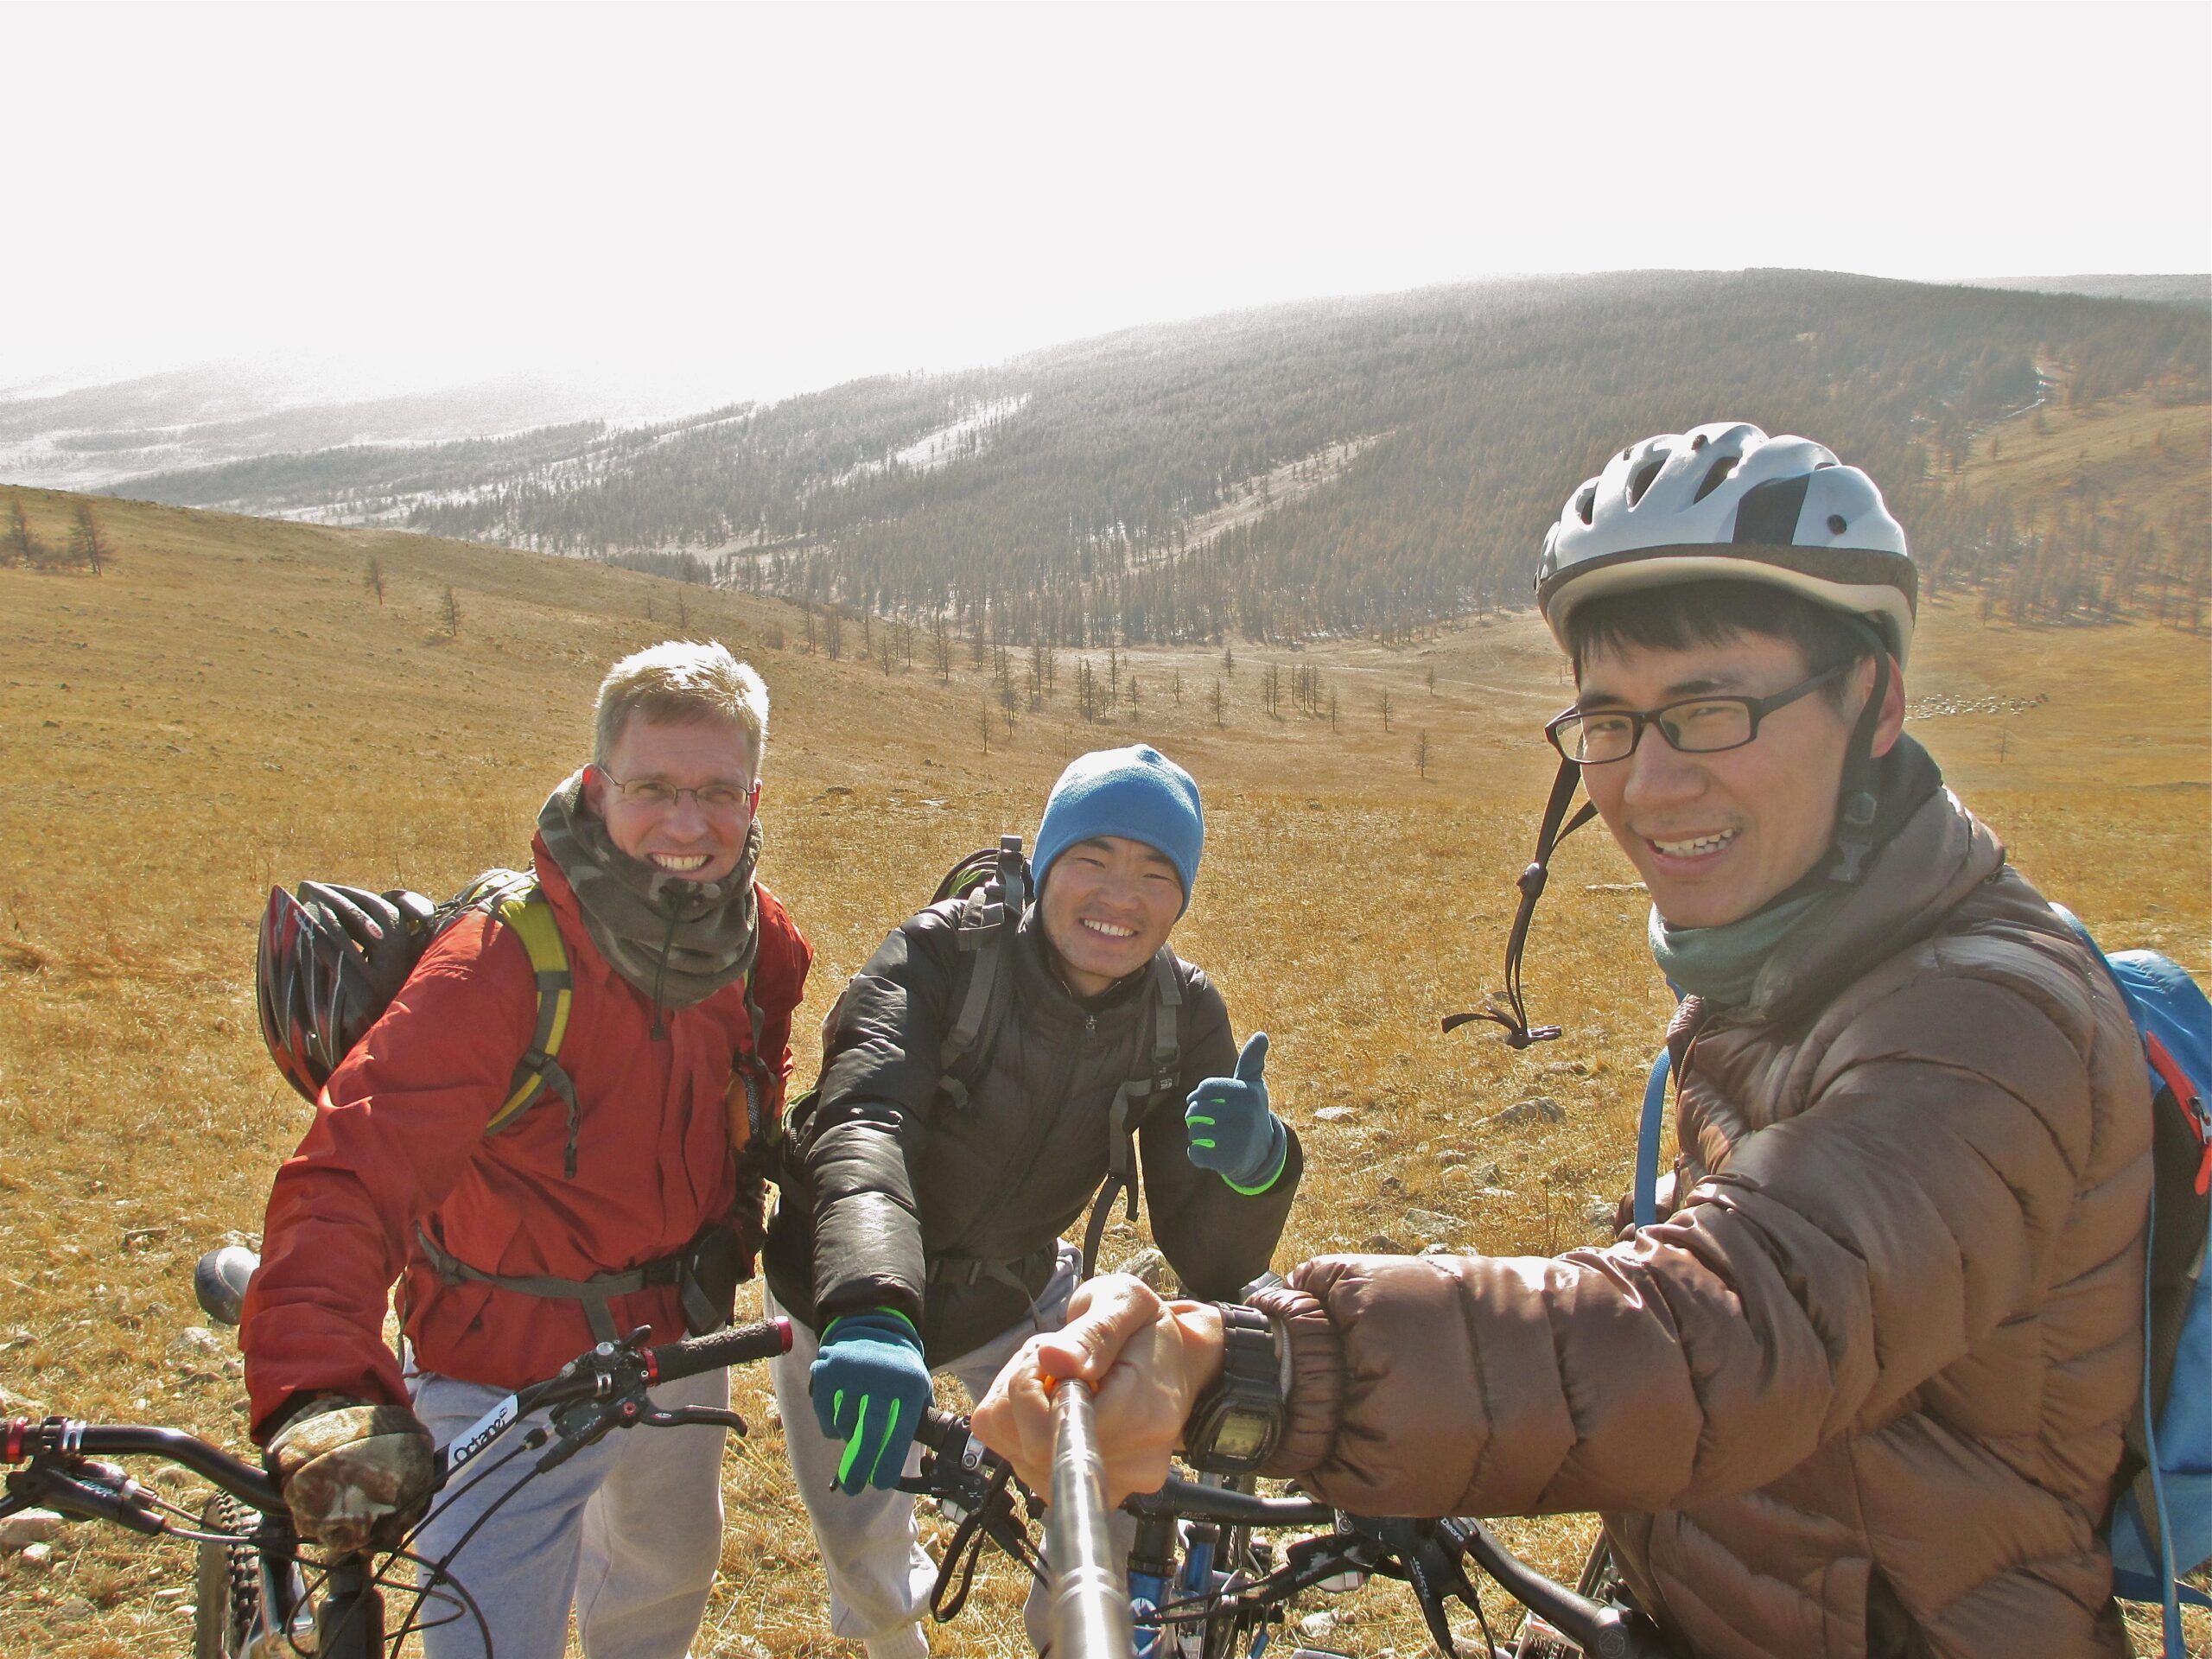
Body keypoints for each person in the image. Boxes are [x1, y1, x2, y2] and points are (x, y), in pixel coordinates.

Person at [976, 425, 2154, 1659]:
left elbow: (1730, 1337)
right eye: (1610, 723)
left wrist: (1258, 1365)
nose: (1645, 787)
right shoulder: (1793, 961)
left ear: (1876, 702)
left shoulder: (1991, 1022)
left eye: (1709, 711)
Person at [241, 640, 811, 1659]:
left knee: (656, 1602)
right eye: (653, 788)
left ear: (755, 797)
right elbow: (351, 1166)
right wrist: (324, 1386)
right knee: (491, 1639)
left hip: (675, 1354)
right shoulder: (501, 961)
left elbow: (745, 1102)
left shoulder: (758, 942)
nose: (688, 826)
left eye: (719, 792)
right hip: (497, 1370)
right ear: (599, 787)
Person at [762, 743, 1301, 1658]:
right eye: (1092, 859)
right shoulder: (936, 958)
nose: (1118, 897)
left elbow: (1209, 1259)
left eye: (1154, 872)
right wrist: (870, 1307)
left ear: (1182, 897)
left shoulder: (1181, 1016)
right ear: (1045, 864)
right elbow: (861, 1126)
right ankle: (894, 1640)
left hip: (1013, 1292)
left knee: (1118, 1498)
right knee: (861, 1544)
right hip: (840, 1294)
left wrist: (1259, 1169)